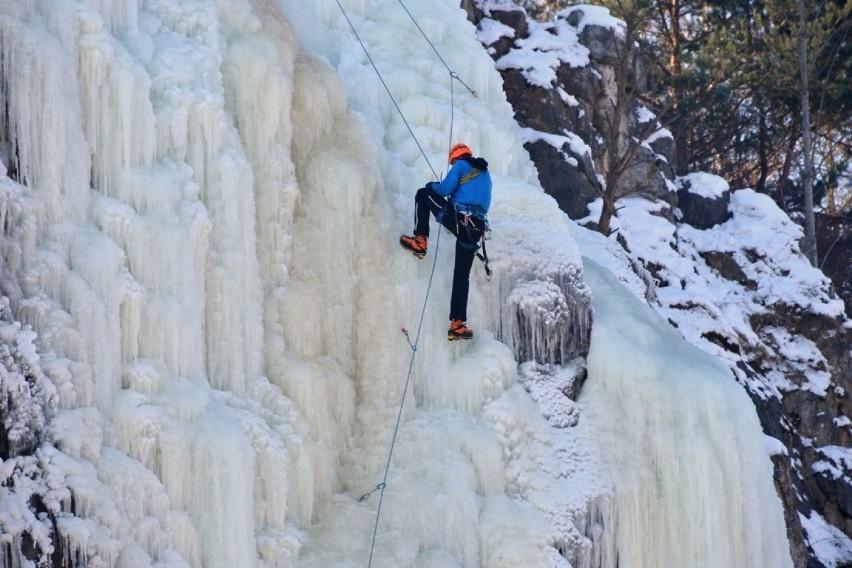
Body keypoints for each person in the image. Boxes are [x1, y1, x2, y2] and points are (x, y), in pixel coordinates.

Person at [400, 142, 492, 341]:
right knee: (461, 276)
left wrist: (432, 185)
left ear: (456, 158)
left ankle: (420, 241)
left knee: (423, 194)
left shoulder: (461, 165)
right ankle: (457, 324)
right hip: (476, 230)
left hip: (460, 220)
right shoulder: (484, 173)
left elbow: (443, 190)